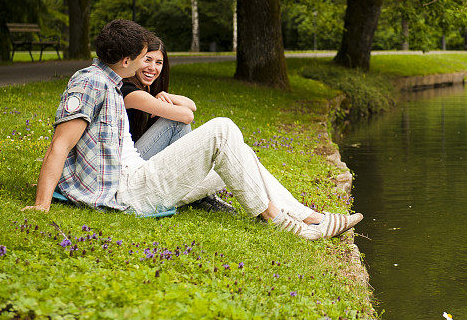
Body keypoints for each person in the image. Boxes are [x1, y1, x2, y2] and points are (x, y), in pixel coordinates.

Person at [23, 19, 362, 240]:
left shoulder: (111, 81)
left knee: (240, 155)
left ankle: (309, 217)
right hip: (127, 192)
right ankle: (284, 224)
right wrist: (42, 205)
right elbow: (59, 145)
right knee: (222, 129)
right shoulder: (90, 84)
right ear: (125, 61)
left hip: (138, 177)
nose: (149, 64)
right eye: (143, 58)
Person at [121, 34, 232, 212]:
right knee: (176, 123)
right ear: (134, 60)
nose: (152, 68)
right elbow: (187, 116)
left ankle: (197, 193)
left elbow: (192, 106)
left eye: (159, 62)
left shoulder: (147, 89)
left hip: (140, 156)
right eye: (147, 60)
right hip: (129, 168)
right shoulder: (127, 90)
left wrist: (166, 96)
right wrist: (160, 103)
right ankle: (197, 194)